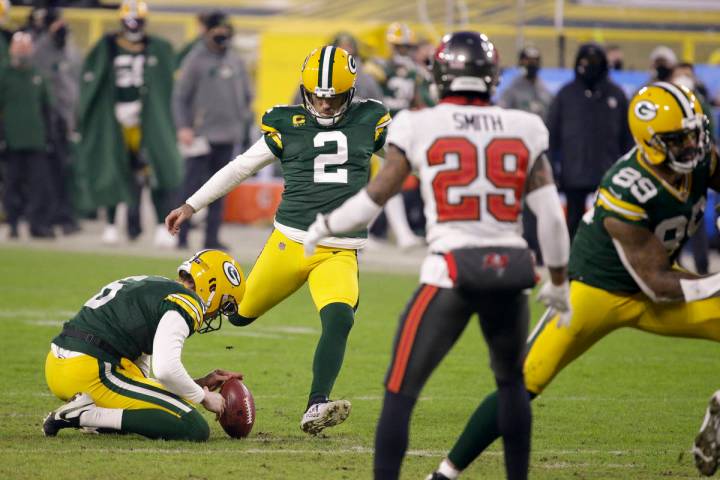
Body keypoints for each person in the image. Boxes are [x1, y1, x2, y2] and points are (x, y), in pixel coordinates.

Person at [395, 82, 719, 479]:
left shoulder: (702, 158)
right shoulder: (626, 185)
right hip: (596, 291)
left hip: (661, 285)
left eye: (694, 135)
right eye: (679, 140)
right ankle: (444, 474)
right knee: (523, 382)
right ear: (650, 142)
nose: (693, 147)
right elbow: (656, 283)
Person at [304, 31, 572, 480]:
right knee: (511, 387)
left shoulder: (417, 123)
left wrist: (326, 225)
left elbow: (375, 198)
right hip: (511, 271)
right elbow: (551, 217)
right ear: (492, 76)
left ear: (440, 75)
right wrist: (560, 283)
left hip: (451, 270)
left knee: (400, 391)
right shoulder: (525, 125)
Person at [166, 45, 392, 435]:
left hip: (338, 251)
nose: (323, 105)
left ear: (351, 92)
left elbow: (409, 161)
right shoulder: (286, 123)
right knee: (236, 315)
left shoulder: (370, 119)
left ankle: (316, 405)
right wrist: (192, 205)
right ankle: (158, 355)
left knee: (339, 318)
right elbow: (240, 168)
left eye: (333, 97)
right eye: (317, 96)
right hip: (288, 244)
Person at [43, 249, 246, 441]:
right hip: (91, 370)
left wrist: (198, 383)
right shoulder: (187, 302)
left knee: (157, 412)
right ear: (212, 287)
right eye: (226, 305)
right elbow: (165, 369)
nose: (219, 312)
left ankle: (94, 416)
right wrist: (203, 397)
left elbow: (140, 380)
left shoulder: (154, 286)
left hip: (59, 367)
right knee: (193, 427)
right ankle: (86, 415)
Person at [74, 0, 182, 247]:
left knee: (154, 171)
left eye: (138, 21)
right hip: (116, 119)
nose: (133, 26)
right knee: (113, 170)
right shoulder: (108, 46)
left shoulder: (157, 47)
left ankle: (159, 225)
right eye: (129, 21)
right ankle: (111, 224)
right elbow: (91, 81)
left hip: (146, 120)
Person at [173, 10, 254, 250]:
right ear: (207, 32)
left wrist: (243, 118)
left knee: (221, 189)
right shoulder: (195, 59)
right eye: (217, 30)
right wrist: (184, 127)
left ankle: (211, 238)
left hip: (228, 135)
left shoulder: (235, 59)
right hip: (201, 135)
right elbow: (179, 97)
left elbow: (247, 94)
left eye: (225, 30)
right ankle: (181, 235)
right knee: (191, 188)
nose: (222, 35)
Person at [548, 43, 633, 239]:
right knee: (573, 225)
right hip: (574, 173)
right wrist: (553, 168)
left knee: (610, 226)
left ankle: (606, 267)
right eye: (585, 61)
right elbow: (552, 135)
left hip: (608, 174)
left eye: (595, 61)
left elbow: (627, 137)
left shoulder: (616, 94)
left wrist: (627, 172)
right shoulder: (566, 94)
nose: (589, 65)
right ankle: (573, 267)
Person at [30, 6, 81, 235]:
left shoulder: (69, 48)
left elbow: (74, 86)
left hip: (67, 121)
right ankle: (46, 220)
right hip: (49, 121)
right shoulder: (40, 50)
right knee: (50, 174)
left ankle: (65, 217)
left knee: (65, 173)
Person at [0, 32, 55, 239]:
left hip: (36, 139)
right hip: (12, 140)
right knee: (11, 185)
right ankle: (13, 224)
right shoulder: (4, 73)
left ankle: (37, 224)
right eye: (18, 46)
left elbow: (47, 108)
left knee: (39, 185)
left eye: (25, 46)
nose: (22, 50)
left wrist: (50, 136)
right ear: (11, 48)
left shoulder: (37, 75)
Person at [499, 46, 553, 122]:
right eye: (528, 61)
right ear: (521, 62)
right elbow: (502, 111)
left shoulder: (545, 90)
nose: (532, 64)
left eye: (535, 61)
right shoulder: (513, 89)